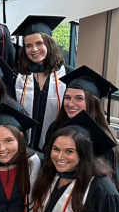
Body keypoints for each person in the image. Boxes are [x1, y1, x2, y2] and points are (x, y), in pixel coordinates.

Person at [30, 111, 119, 212]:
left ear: (84, 154)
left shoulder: (102, 191)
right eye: (56, 149)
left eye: (69, 151)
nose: (59, 157)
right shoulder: (49, 173)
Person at [45, 65, 119, 188]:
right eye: (67, 97)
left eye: (79, 98)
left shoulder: (102, 139)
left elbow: (112, 186)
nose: (70, 104)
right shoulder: (55, 127)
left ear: (92, 102)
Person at [12, 15, 73, 150]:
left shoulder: (68, 74)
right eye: (28, 46)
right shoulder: (17, 76)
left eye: (40, 43)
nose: (34, 50)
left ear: (49, 44)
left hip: (56, 145)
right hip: (24, 147)